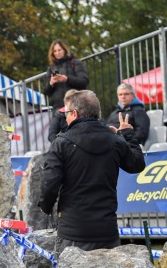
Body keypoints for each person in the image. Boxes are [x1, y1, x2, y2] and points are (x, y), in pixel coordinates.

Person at [38, 90, 145, 253]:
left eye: (66, 113)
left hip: (73, 231)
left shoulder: (61, 143)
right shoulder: (115, 140)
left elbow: (49, 183)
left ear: (74, 113)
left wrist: (45, 206)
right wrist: (127, 135)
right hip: (106, 229)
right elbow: (137, 164)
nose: (65, 118)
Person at [42, 40, 89, 111]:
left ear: (64, 50)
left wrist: (67, 79)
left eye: (59, 50)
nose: (57, 53)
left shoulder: (75, 62)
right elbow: (46, 92)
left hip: (76, 105)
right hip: (58, 108)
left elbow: (84, 81)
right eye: (55, 51)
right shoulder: (51, 68)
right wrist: (51, 83)